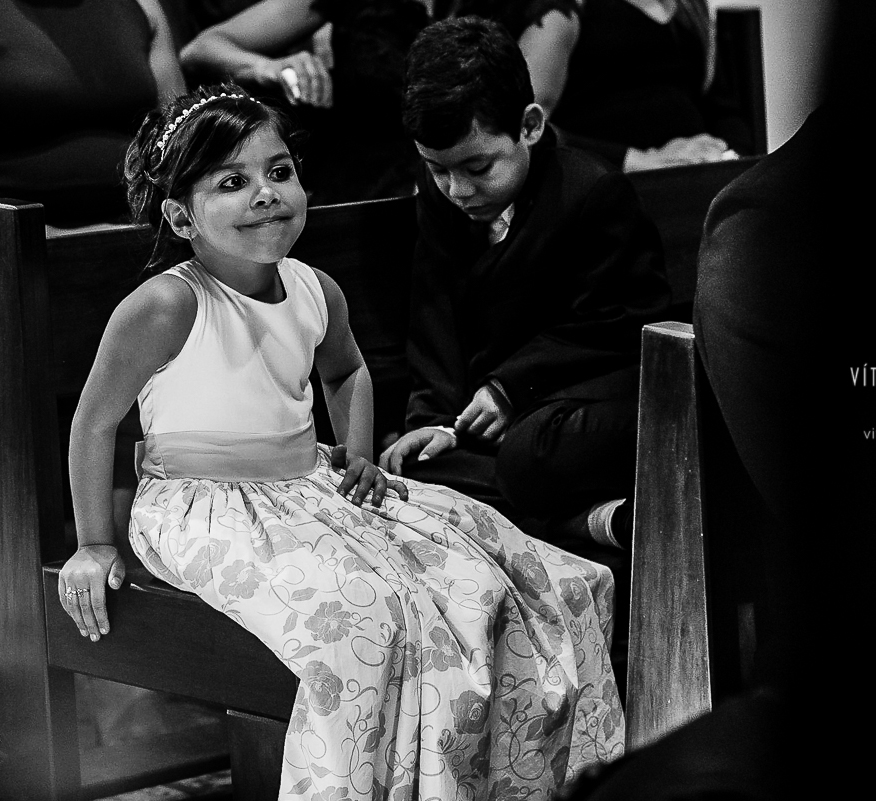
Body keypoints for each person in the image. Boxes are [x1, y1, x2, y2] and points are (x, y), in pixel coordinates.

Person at [56, 84, 625, 800]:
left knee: (504, 577)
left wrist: (357, 452)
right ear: (180, 215)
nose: (266, 193)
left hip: (308, 484)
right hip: (203, 505)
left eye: (279, 171)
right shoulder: (170, 302)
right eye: (233, 182)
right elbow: (93, 420)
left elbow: (348, 370)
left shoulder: (314, 288)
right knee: (370, 618)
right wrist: (95, 542)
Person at [380, 17, 671, 551]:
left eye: (478, 167)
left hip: (583, 399)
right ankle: (590, 522)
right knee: (411, 466)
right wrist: (437, 422)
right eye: (437, 170)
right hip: (494, 423)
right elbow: (435, 315)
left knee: (531, 454)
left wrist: (511, 387)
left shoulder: (592, 192)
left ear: (530, 126)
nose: (457, 190)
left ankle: (539, 508)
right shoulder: (441, 198)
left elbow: (621, 324)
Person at [0, 0, 186, 357]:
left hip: (135, 245)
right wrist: (42, 239)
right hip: (2, 261)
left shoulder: (141, 7)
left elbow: (182, 144)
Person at [178, 0, 586, 204]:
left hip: (462, 187)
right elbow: (202, 49)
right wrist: (270, 66)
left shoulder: (537, 8)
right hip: (347, 188)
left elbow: (525, 119)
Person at [541, 0, 753, 172]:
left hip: (690, 182)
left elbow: (723, 109)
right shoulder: (563, 10)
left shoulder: (691, 9)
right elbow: (531, 127)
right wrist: (635, 160)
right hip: (607, 190)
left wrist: (725, 153)